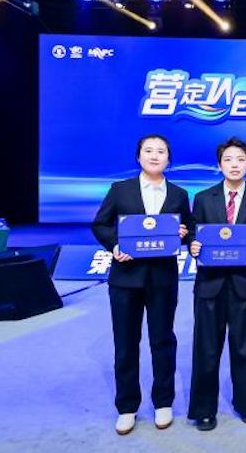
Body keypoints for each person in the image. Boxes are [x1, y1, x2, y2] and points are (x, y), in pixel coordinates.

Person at [91, 134, 193, 435]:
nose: (154, 155)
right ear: (138, 157)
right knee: (125, 343)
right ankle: (127, 406)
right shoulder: (120, 189)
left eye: (161, 151)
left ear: (168, 160)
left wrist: (184, 233)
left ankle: (163, 401)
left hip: (162, 278)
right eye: (148, 150)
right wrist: (115, 245)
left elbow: (188, 230)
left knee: (163, 340)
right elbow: (100, 224)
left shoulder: (179, 194)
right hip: (125, 278)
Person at [187, 137, 246, 431]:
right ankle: (203, 410)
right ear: (219, 165)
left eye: (240, 160)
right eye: (228, 160)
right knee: (206, 349)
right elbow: (193, 233)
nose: (234, 165)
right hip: (210, 284)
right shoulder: (203, 198)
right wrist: (192, 245)